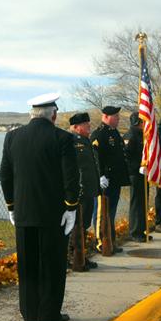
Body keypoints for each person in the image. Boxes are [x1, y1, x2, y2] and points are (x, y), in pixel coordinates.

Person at [0, 93, 79, 321]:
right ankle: (48, 314)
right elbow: (71, 177)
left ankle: (29, 313)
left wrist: (11, 206)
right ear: (53, 115)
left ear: (31, 114)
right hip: (53, 214)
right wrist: (71, 207)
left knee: (27, 266)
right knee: (52, 265)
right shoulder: (63, 138)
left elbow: (5, 174)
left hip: (24, 214)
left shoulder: (12, 137)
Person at [91, 106, 130, 254]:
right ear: (106, 116)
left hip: (115, 180)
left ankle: (110, 240)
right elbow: (96, 157)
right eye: (116, 117)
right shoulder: (98, 134)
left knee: (111, 212)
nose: (118, 119)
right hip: (105, 180)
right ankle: (101, 242)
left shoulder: (114, 133)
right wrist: (100, 175)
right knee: (101, 212)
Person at [68, 112, 100, 269]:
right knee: (76, 226)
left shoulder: (87, 141)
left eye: (88, 123)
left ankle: (81, 256)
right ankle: (74, 258)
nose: (89, 126)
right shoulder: (71, 141)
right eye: (85, 124)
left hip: (89, 191)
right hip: (80, 192)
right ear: (75, 127)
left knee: (84, 225)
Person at [123, 111, 153, 241]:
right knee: (136, 203)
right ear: (138, 123)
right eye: (143, 121)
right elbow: (127, 157)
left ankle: (141, 230)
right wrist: (138, 167)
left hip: (143, 173)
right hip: (135, 174)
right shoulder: (130, 136)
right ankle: (135, 232)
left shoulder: (142, 135)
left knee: (143, 202)